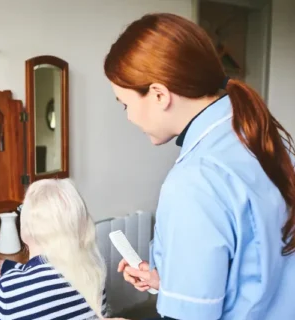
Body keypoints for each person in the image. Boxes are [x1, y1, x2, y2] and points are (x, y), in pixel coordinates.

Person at [103, 13, 295, 320]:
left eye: (125, 104)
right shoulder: (267, 139)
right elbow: (258, 271)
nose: (128, 117)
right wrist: (171, 284)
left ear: (159, 95)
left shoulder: (195, 181)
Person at [0, 178, 108, 319]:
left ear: (29, 227)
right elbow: (48, 277)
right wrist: (9, 267)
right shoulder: (92, 274)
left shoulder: (9, 290)